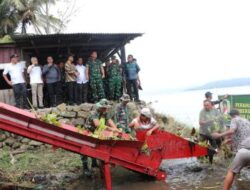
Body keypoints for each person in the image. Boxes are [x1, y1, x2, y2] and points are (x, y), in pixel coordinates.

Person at [82, 99, 119, 176]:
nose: (105, 109)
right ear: (100, 107)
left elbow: (110, 121)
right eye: (104, 108)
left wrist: (116, 130)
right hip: (88, 132)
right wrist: (111, 129)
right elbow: (97, 124)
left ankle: (94, 164)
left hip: (96, 134)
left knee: (95, 148)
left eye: (106, 108)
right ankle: (85, 168)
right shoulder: (94, 113)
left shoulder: (104, 113)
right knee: (85, 150)